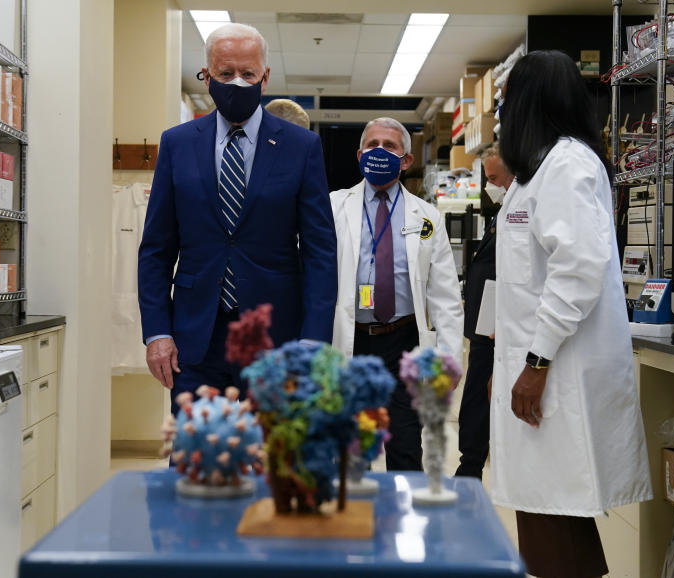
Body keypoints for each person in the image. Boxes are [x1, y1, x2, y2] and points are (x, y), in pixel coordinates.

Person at [491, 50, 652, 578]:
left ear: (527, 101)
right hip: (536, 361)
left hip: (556, 369)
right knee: (546, 509)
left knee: (554, 507)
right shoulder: (534, 171)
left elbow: (578, 269)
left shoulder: (566, 164)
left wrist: (536, 364)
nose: (500, 111)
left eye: (507, 98)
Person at [138, 23, 337, 413]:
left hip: (276, 338)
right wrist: (157, 331)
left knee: (274, 465)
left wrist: (314, 338)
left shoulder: (301, 147)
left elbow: (319, 251)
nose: (237, 83)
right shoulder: (177, 144)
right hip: (195, 340)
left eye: (248, 74)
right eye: (226, 74)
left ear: (265, 78)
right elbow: (156, 249)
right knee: (200, 465)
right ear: (207, 76)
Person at [330, 117, 463, 471]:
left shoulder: (427, 217)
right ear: (359, 155)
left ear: (406, 160)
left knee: (405, 449)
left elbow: (445, 295)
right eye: (372, 145)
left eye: (389, 146)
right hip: (352, 342)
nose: (379, 152)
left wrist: (449, 357)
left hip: (404, 343)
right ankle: (355, 521)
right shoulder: (333, 207)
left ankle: (405, 525)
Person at [455, 143, 513, 480]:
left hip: (495, 323)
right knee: (477, 392)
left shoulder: (519, 207)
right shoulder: (502, 211)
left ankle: (471, 466)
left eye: (493, 177)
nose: (489, 185)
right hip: (484, 322)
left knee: (481, 395)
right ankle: (470, 463)